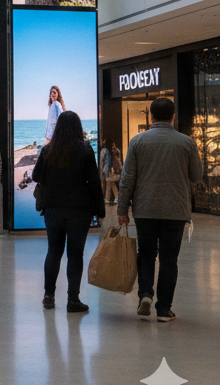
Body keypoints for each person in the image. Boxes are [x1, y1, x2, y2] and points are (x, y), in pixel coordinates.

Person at [118, 97, 202, 322]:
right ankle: (164, 309)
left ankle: (145, 294)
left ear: (151, 117)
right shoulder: (186, 143)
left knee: (145, 255)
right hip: (175, 210)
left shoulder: (137, 142)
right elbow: (197, 176)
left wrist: (122, 209)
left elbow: (127, 179)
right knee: (169, 259)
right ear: (173, 116)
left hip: (145, 209)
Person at [31, 110, 105, 312]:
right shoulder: (85, 150)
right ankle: (73, 299)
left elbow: (36, 175)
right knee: (75, 255)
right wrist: (100, 210)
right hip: (79, 211)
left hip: (53, 209)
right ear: (78, 128)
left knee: (53, 251)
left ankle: (49, 295)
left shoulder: (48, 151)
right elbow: (94, 182)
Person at [103, 140, 122, 205]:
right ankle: (107, 198)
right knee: (109, 182)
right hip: (115, 169)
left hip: (113, 170)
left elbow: (112, 161)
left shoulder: (112, 152)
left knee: (111, 182)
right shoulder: (116, 151)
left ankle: (115, 197)